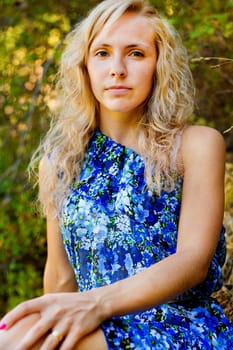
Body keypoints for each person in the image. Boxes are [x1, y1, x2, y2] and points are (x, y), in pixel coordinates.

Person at [0, 0, 233, 349]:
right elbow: (61, 277)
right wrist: (53, 323)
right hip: (96, 326)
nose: (118, 69)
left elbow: (193, 262)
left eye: (136, 54)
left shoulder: (196, 145)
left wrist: (95, 304)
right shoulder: (61, 162)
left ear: (159, 65)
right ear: (85, 66)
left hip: (179, 326)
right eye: (103, 53)